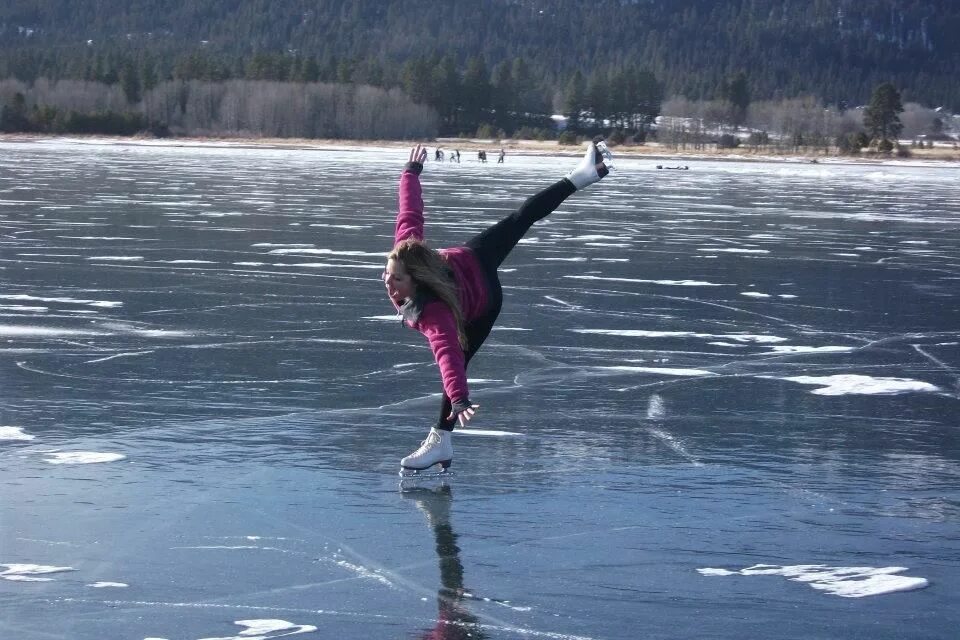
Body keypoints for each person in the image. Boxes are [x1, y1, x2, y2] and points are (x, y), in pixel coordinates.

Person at [385, 140, 612, 472]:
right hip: (470, 258)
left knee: (519, 219)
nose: (388, 284)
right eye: (388, 275)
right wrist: (411, 172)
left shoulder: (434, 313)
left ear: (417, 281)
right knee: (520, 219)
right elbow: (410, 211)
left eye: (396, 280)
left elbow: (447, 354)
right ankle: (585, 175)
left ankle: (440, 441)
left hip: (484, 299)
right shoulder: (405, 251)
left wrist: (459, 397)